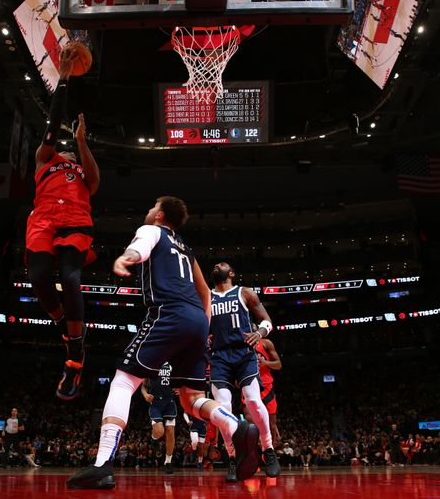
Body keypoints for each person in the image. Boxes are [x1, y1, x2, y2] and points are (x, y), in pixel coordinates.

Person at [67, 197, 259, 489]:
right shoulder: (186, 248)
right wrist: (202, 327)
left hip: (169, 313)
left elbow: (140, 248)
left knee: (123, 381)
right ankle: (235, 425)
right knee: (191, 398)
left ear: (159, 214)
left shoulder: (152, 230)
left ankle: (102, 464)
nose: (147, 211)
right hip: (196, 321)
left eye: (151, 207)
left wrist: (126, 258)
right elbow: (205, 292)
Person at [26, 45, 100, 400]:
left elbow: (96, 180)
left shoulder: (80, 170)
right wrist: (65, 76)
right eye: (68, 147)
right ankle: (64, 326)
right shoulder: (46, 157)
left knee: (70, 278)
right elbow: (53, 123)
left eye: (72, 150)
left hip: (75, 219)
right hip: (43, 218)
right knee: (38, 276)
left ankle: (75, 355)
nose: (68, 151)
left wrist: (83, 141)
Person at [209, 262, 280, 480]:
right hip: (219, 356)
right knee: (223, 408)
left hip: (243, 354)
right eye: (215, 264)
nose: (217, 265)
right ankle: (233, 458)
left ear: (231, 273)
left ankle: (268, 450)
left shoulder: (244, 292)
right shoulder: (206, 297)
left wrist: (259, 332)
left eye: (223, 264)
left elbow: (267, 320)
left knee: (252, 401)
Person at [140, 363, 177, 473]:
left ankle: (168, 462)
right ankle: (153, 439)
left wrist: (180, 389)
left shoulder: (174, 363)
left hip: (169, 401)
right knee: (160, 431)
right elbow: (143, 385)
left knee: (170, 431)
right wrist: (145, 394)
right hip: (155, 402)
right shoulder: (152, 362)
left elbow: (182, 382)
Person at [246, 336, 282, 447]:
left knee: (272, 424)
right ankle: (254, 451)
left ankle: (270, 450)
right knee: (250, 421)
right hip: (249, 385)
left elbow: (278, 365)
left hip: (266, 387)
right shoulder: (241, 344)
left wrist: (265, 362)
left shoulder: (266, 343)